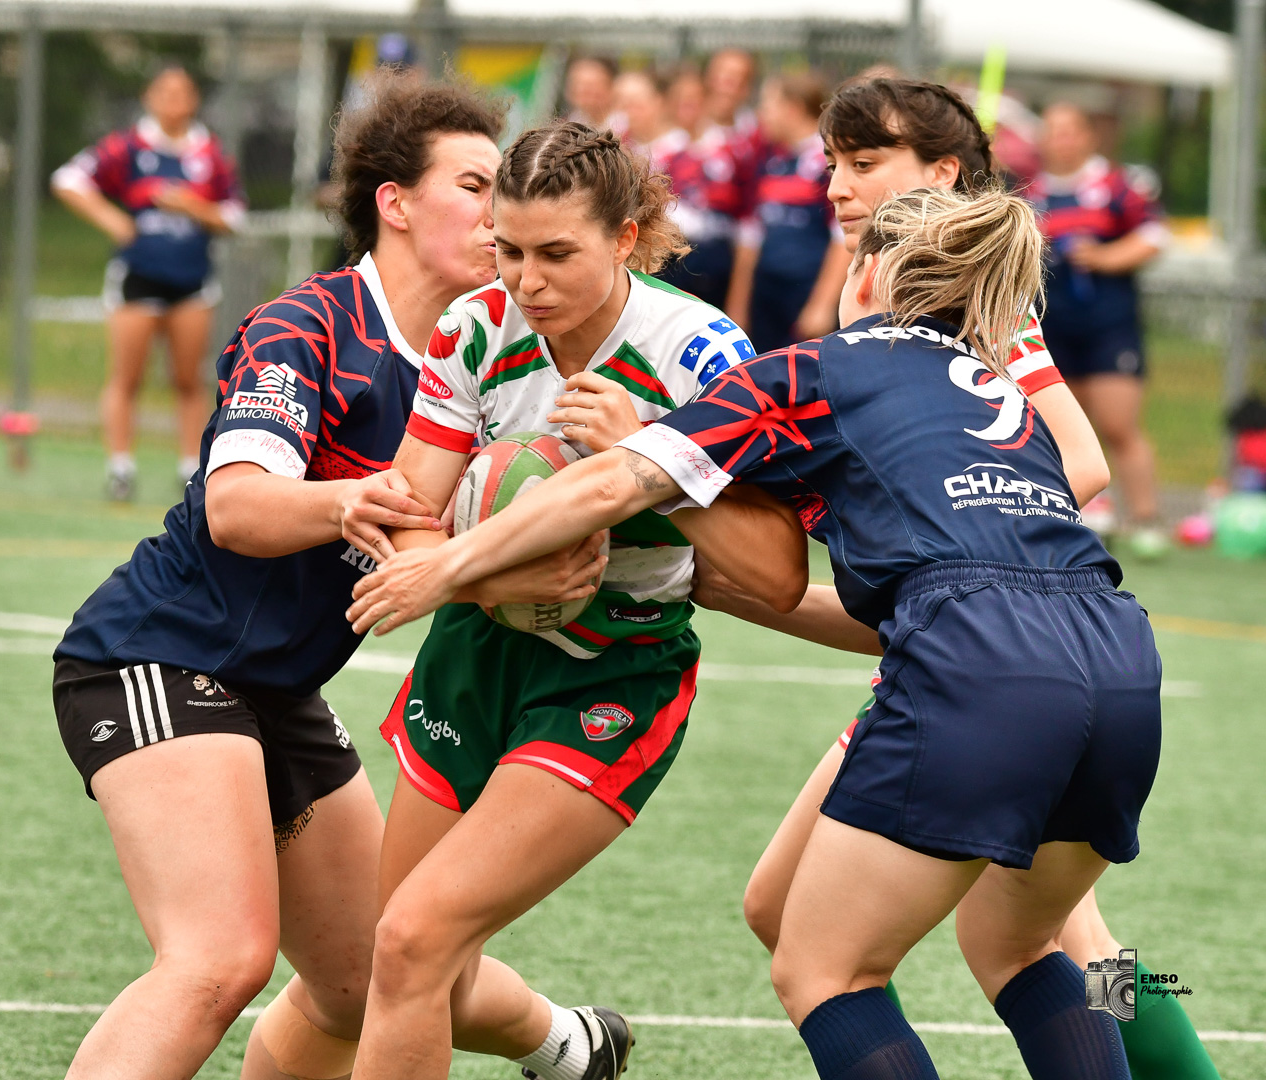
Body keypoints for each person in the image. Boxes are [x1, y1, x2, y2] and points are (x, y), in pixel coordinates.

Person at [350, 185, 1163, 1080]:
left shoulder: (839, 357)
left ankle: (1177, 1051)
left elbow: (613, 486)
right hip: (1109, 656)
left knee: (851, 968)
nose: (837, 188)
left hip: (976, 674)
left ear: (874, 268)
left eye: (857, 167)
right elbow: (987, 539)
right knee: (968, 936)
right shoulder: (995, 372)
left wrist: (449, 566)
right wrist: (730, 589)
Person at [48, 77, 606, 1080]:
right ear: (395, 202)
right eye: (476, 184)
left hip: (275, 689)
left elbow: (456, 544)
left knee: (370, 977)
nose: (500, 213)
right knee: (218, 959)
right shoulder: (307, 327)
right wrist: (360, 501)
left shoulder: (488, 360)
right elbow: (240, 506)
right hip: (155, 655)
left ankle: (563, 1042)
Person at [717, 75, 1220, 1080]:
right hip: (983, 648)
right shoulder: (894, 289)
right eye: (834, 167)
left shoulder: (974, 301)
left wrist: (951, 531)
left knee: (1071, 948)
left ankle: (1186, 1070)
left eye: (866, 165)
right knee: (789, 907)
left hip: (994, 650)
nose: (839, 187)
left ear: (942, 174)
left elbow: (1083, 462)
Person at [344, 121, 807, 1080]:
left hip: (616, 669)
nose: (526, 280)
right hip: (472, 654)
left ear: (627, 238)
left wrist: (654, 459)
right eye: (508, 250)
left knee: (412, 945)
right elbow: (408, 513)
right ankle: (571, 1044)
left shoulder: (701, 353)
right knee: (391, 957)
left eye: (557, 254)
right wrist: (494, 573)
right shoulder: (474, 327)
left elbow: (775, 572)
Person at [52, 64, 245, 501]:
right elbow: (68, 180)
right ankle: (121, 469)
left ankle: (190, 471)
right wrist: (112, 220)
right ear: (149, 98)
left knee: (187, 379)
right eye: (164, 92)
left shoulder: (209, 154)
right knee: (127, 377)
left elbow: (234, 216)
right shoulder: (128, 147)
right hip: (137, 277)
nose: (173, 101)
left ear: (194, 100)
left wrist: (192, 207)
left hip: (191, 281)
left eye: (183, 93)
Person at [1032, 101, 1168, 557]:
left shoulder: (1115, 186)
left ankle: (1147, 520)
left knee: (1118, 424)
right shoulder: (1028, 192)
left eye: (1070, 130)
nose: (1061, 139)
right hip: (1050, 327)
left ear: (1088, 136)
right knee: (1061, 430)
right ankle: (1077, 516)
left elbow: (1154, 237)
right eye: (1052, 130)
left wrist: (1104, 258)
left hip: (1109, 325)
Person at [727, 72, 851, 351]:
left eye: (767, 105)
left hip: (804, 298)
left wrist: (821, 305)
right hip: (766, 300)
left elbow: (843, 237)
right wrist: (738, 305)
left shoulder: (828, 164)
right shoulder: (769, 161)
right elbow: (750, 237)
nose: (762, 114)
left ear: (792, 108)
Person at [652, 68, 752, 309]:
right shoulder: (659, 151)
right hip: (671, 257)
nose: (688, 109)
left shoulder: (732, 149)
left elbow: (746, 216)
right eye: (680, 102)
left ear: (708, 101)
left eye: (694, 101)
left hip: (718, 258)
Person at [562, 56, 623, 137]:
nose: (581, 89)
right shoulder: (565, 126)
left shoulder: (626, 128)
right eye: (577, 83)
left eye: (590, 85)